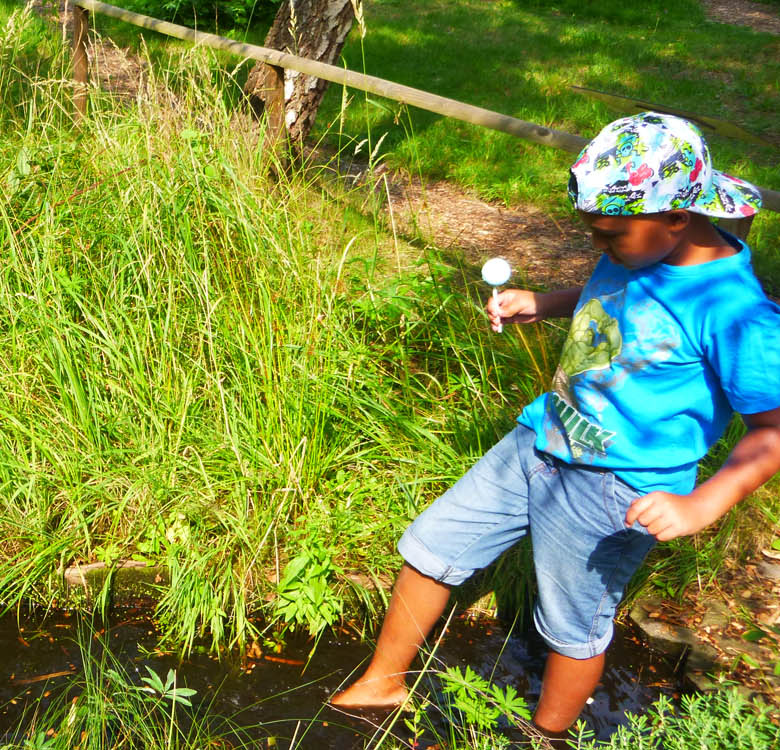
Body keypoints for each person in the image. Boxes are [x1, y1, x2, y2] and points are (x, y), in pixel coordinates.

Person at [330, 112, 780, 737]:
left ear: (678, 217)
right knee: (431, 544)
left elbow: (772, 430)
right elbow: (614, 292)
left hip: (617, 488)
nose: (599, 245)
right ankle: (383, 680)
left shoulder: (736, 314)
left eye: (606, 234)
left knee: (570, 623)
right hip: (541, 438)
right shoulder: (645, 242)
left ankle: (543, 735)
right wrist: (543, 304)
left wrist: (704, 504)